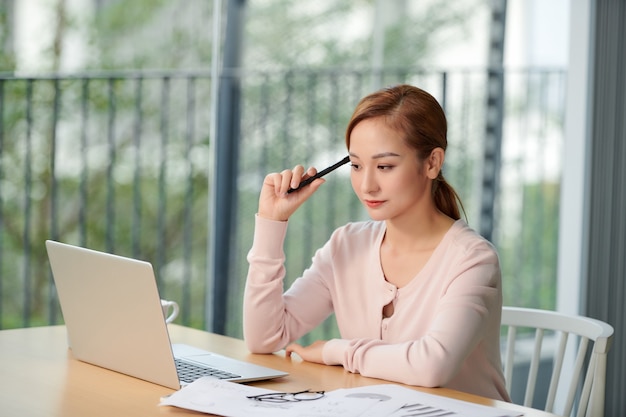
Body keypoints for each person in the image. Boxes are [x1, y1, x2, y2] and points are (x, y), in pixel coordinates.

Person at [243, 84, 510, 402]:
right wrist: (271, 223)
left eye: (385, 166)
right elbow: (264, 338)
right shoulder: (347, 245)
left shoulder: (473, 259)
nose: (366, 184)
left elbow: (431, 366)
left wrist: (336, 350)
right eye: (356, 166)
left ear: (432, 163)